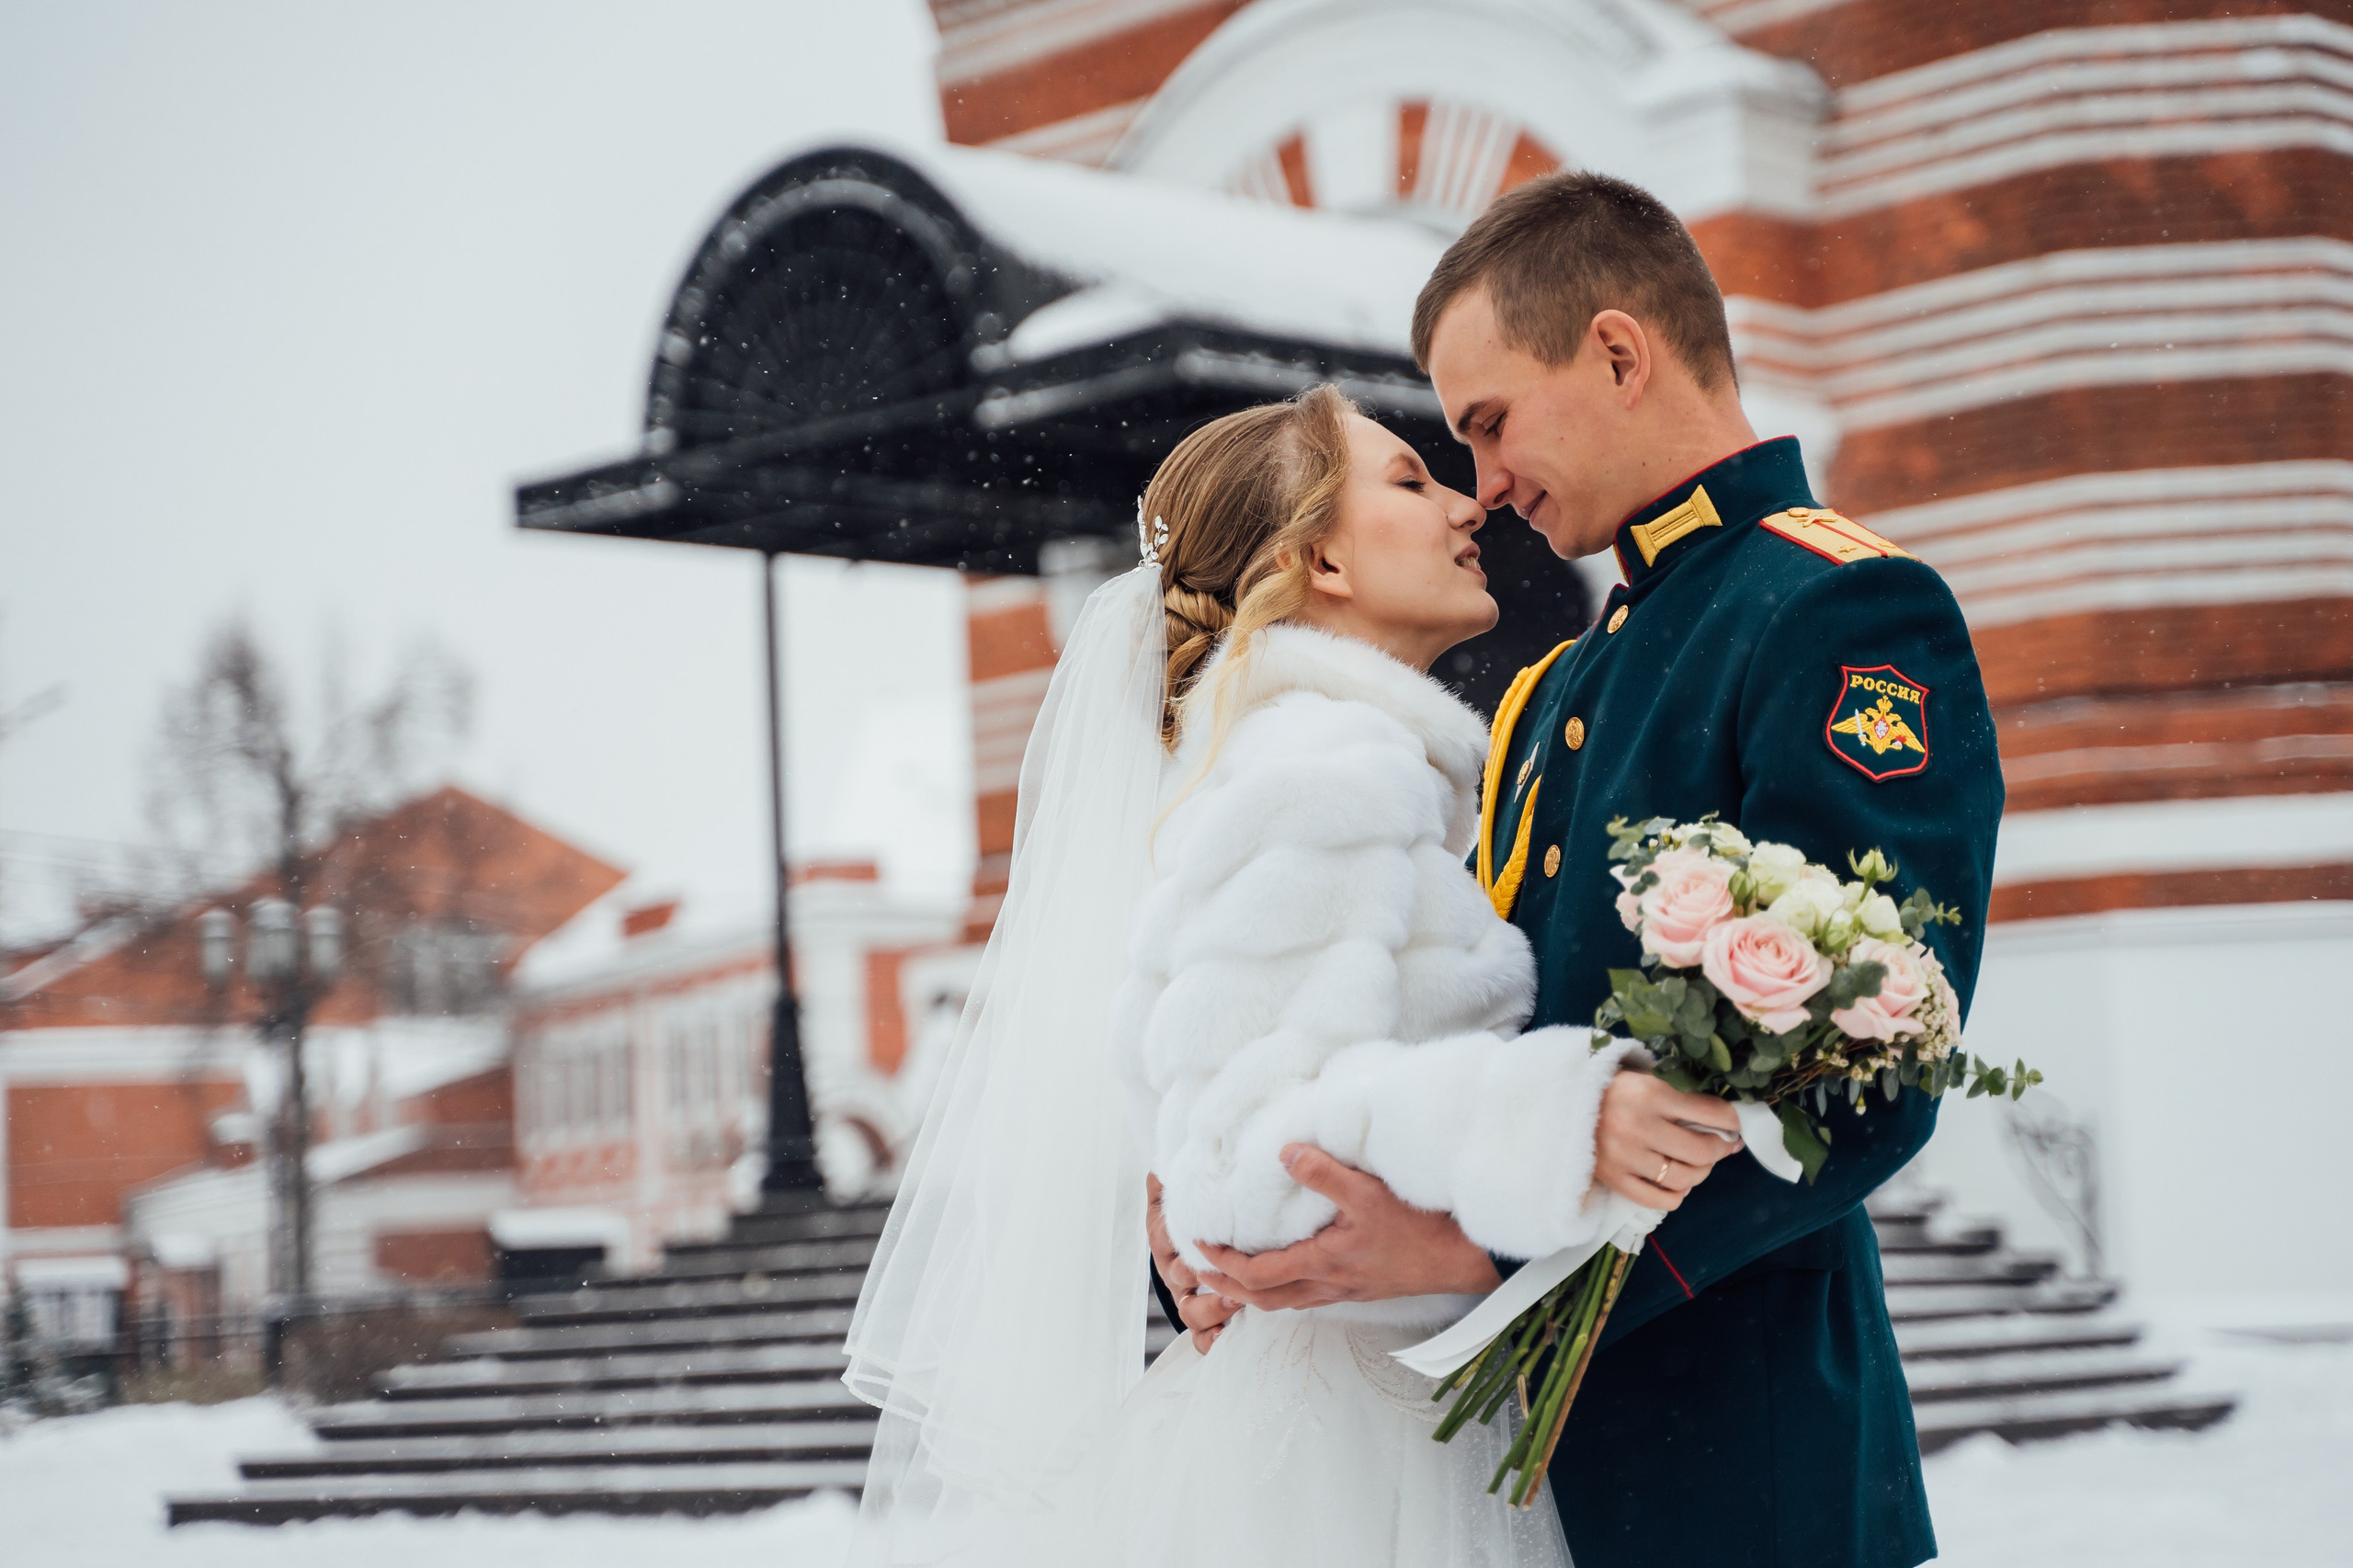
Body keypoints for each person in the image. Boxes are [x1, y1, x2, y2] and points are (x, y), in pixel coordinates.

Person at [1185, 172, 2004, 1568]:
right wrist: (1239, 1199)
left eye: (1489, 423)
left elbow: (1875, 1063)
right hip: (1509, 1479)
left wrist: (1487, 1263)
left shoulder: (1836, 606)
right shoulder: (1555, 688)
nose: (1485, 485)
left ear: (1619, 352)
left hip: (1745, 1466)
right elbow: (1466, 1034)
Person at [845, 383, 1728, 1567]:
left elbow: (1215, 1111)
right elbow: (1263, 1161)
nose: (1469, 505)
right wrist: (1563, 1120)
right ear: (1321, 557)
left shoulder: (1321, 760)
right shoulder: (1324, 769)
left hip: (1359, 1417)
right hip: (1355, 1464)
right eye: (1412, 483)